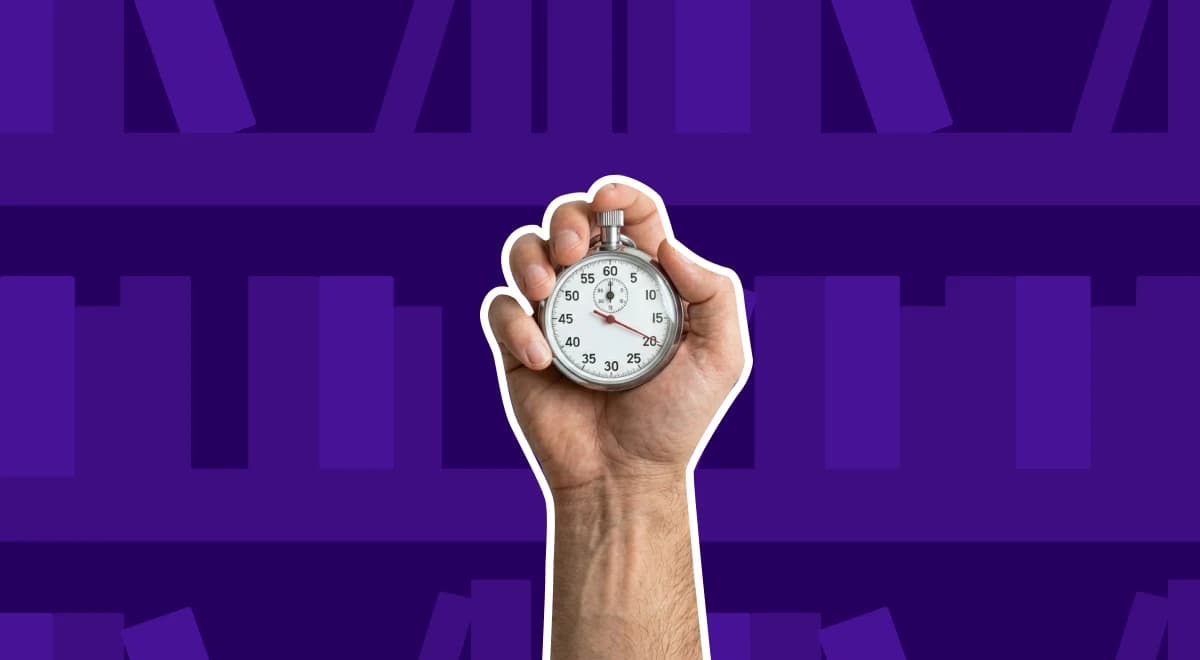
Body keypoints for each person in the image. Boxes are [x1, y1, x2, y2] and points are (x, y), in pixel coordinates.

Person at [482, 177, 750, 658]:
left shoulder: (665, 303)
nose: (608, 315)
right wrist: (604, 488)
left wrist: (633, 479)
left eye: (615, 311)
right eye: (593, 307)